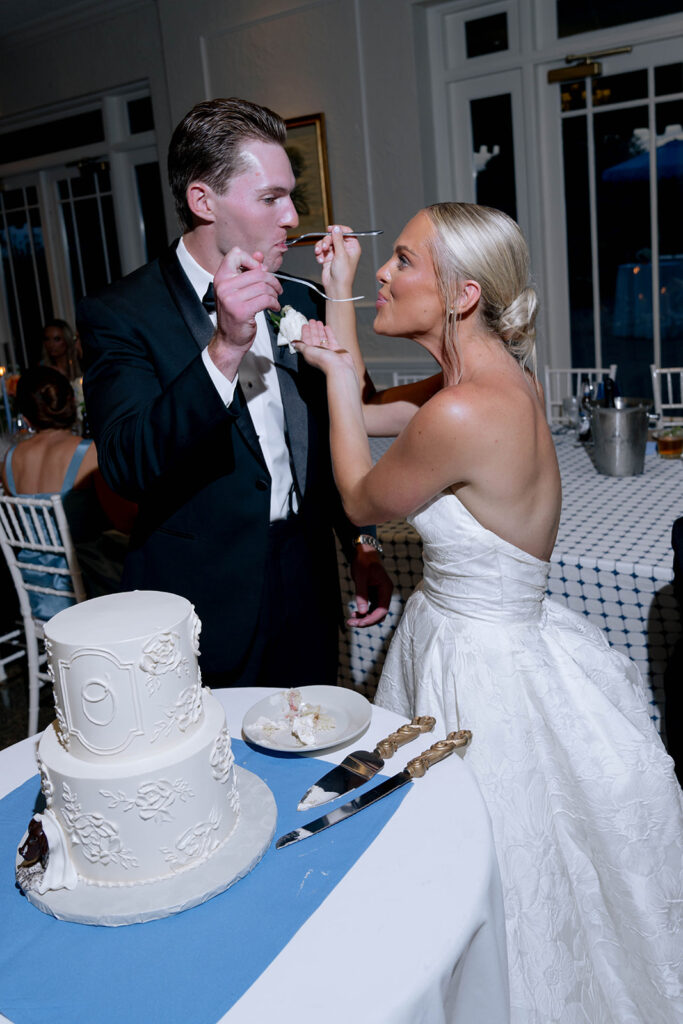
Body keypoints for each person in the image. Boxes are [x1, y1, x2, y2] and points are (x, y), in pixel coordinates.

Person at [295, 203, 683, 1024]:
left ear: (461, 294)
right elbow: (366, 415)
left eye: (400, 261)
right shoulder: (479, 387)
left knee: (482, 869)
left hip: (477, 667)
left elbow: (362, 497)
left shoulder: (462, 412)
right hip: (481, 634)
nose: (385, 277)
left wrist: (331, 372)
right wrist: (337, 295)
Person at [78, 97, 391, 688]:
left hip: (306, 579)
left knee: (313, 758)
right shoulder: (121, 313)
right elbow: (125, 465)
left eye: (291, 197)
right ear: (203, 201)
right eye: (272, 198)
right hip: (200, 599)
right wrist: (223, 348)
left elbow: (326, 438)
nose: (294, 218)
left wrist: (361, 542)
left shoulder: (299, 297)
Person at [2, 367, 135, 617]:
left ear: (27, 416)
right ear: (71, 402)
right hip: (86, 589)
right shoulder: (89, 453)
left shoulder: (9, 459)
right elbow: (124, 521)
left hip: (35, 587)